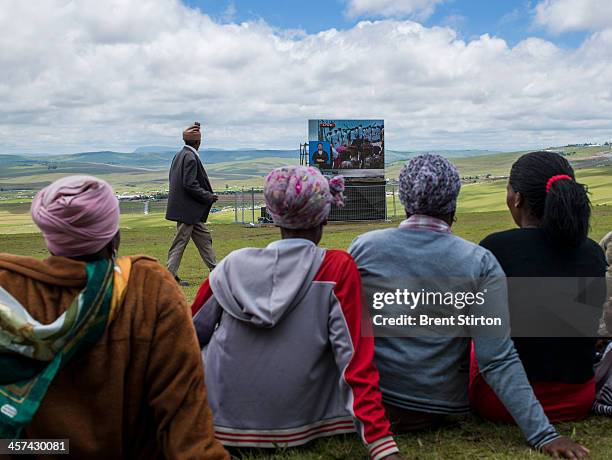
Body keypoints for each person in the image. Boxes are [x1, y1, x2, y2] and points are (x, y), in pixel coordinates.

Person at [349, 154, 589, 459]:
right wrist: (544, 435)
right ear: (453, 202)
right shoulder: (478, 261)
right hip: (436, 410)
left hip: (373, 405)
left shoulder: (364, 247)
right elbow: (496, 357)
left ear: (405, 199)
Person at [0, 175, 228, 459]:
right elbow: (183, 412)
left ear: (50, 239)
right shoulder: (149, 289)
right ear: (114, 235)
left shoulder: (9, 291)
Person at [191, 166, 402, 460]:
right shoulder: (336, 267)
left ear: (274, 212)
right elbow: (354, 359)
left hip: (220, 423)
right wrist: (381, 445)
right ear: (325, 215)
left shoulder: (231, 266)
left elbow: (188, 334)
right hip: (304, 422)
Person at [469, 151, 607, 424]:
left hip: (500, 402)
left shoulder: (494, 249)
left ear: (517, 198)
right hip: (577, 399)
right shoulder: (592, 252)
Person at [166, 121, 218, 286]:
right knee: (180, 242)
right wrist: (208, 196)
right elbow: (190, 184)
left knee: (204, 238)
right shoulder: (190, 157)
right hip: (188, 210)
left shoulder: (180, 155)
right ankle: (168, 276)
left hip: (189, 210)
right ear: (198, 142)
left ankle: (216, 270)